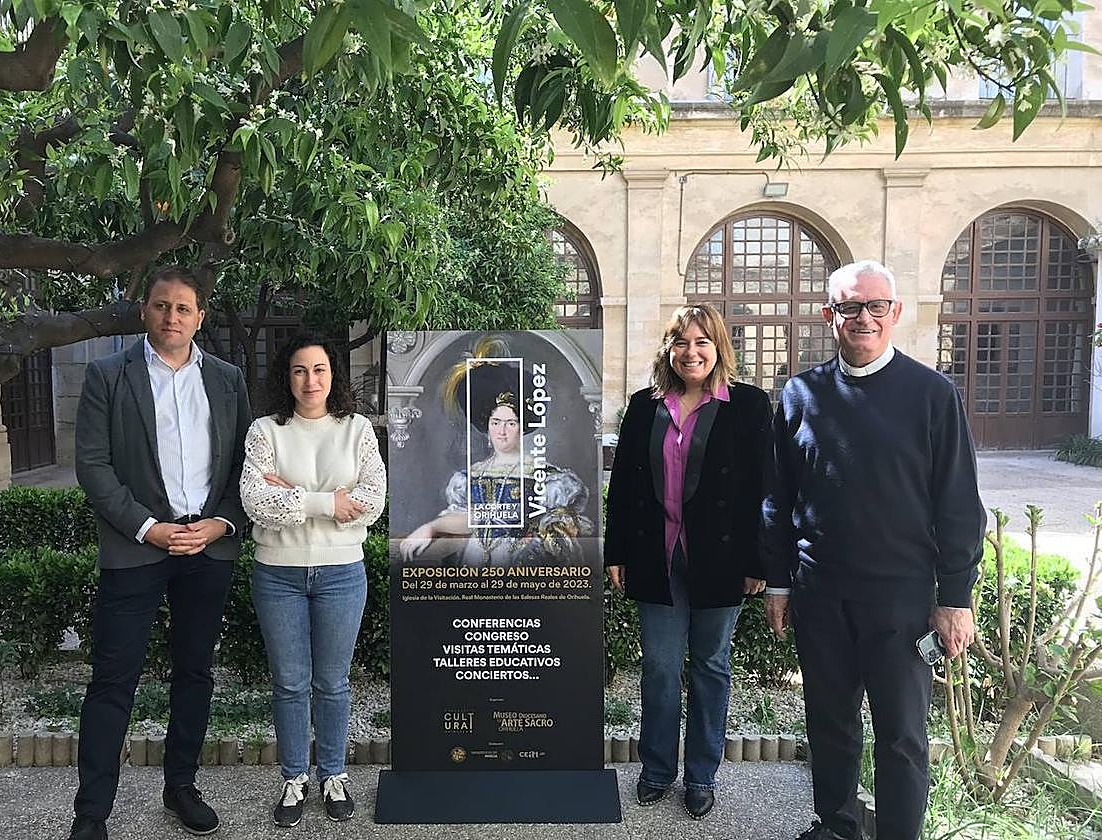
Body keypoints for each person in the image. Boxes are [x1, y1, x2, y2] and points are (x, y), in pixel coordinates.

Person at [762, 260, 986, 840]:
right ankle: (835, 826)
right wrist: (780, 584)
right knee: (829, 724)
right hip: (821, 592)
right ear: (828, 315)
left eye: (875, 306)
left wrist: (955, 598)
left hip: (902, 598)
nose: (863, 318)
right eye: (850, 307)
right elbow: (778, 497)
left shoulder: (932, 395)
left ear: (895, 313)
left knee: (902, 734)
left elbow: (959, 503)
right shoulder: (799, 394)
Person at [70, 266, 251, 840]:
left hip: (206, 547)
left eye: (183, 308)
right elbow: (93, 467)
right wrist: (146, 527)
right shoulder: (107, 375)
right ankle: (91, 813)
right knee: (112, 679)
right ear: (144, 311)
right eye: (161, 306)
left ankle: (181, 787)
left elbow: (246, 468)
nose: (171, 317)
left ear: (199, 317)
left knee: (194, 673)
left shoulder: (227, 379)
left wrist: (222, 524)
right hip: (136, 549)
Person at [604, 303, 772, 820]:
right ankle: (656, 770)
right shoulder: (644, 406)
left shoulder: (748, 405)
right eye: (681, 342)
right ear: (669, 350)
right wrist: (617, 552)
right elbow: (625, 485)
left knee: (711, 666)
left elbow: (764, 489)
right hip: (658, 555)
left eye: (702, 342)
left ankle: (701, 774)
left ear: (719, 347)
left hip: (721, 558)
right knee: (658, 666)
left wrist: (759, 560)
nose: (691, 352)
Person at [239, 333, 386, 826]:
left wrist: (293, 495)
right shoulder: (265, 431)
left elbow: (373, 499)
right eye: (300, 370)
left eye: (319, 370)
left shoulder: (357, 428)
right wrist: (327, 500)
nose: (310, 380)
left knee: (332, 682)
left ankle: (334, 775)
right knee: (289, 682)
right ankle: (295, 777)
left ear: (333, 376)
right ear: (288, 377)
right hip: (277, 573)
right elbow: (256, 501)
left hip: (342, 571)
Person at [399, 354, 591, 567]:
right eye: (496, 422)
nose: (502, 431)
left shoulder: (547, 478)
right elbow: (470, 520)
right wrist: (431, 528)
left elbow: (558, 536)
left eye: (510, 423)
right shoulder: (470, 476)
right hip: (474, 561)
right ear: (487, 426)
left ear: (521, 427)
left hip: (522, 565)